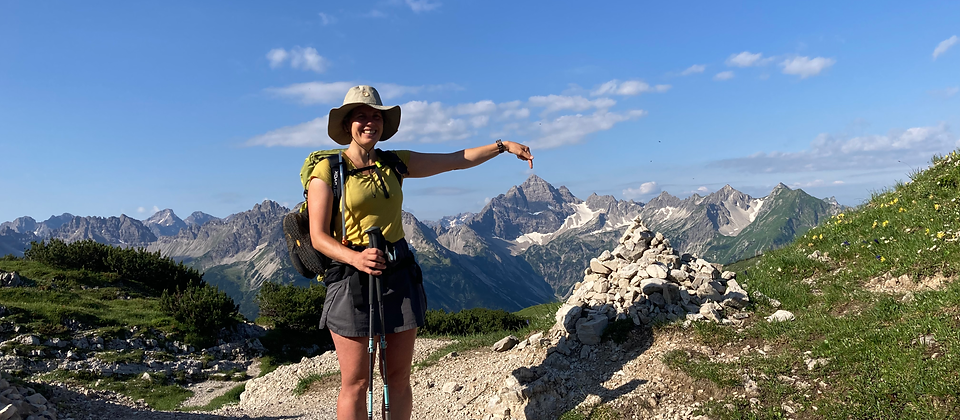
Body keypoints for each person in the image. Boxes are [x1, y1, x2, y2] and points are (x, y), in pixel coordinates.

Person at [307, 85, 534, 420]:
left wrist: (503, 146)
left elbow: (455, 160)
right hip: (351, 278)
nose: (369, 122)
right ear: (346, 125)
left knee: (398, 378)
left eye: (376, 116)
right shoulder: (328, 170)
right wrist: (356, 257)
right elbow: (318, 237)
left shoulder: (394, 162)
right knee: (356, 383)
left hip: (398, 274)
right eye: (361, 116)